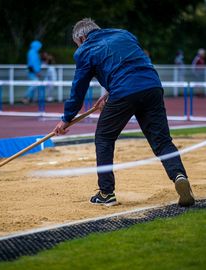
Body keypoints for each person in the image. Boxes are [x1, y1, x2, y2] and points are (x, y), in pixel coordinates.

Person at [53, 18, 195, 207]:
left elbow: (78, 88)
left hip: (123, 91)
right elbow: (132, 64)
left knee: (104, 137)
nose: (78, 47)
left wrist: (66, 119)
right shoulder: (124, 34)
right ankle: (179, 175)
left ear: (82, 37)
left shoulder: (85, 50)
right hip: (152, 86)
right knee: (162, 140)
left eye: (77, 44)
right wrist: (110, 91)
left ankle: (106, 193)